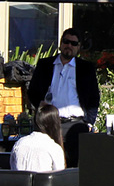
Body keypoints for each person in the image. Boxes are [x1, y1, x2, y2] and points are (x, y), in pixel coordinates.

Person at [29, 29, 100, 166]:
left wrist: (89, 122)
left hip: (75, 124)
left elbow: (94, 98)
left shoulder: (86, 68)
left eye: (74, 43)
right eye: (66, 42)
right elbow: (32, 91)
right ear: (61, 43)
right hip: (48, 122)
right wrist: (40, 105)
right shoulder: (45, 65)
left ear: (78, 47)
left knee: (73, 165)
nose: (69, 46)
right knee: (46, 162)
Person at [10, 101, 66, 172]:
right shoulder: (54, 148)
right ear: (55, 124)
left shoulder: (19, 143)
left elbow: (13, 171)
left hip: (20, 183)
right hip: (43, 182)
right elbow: (59, 177)